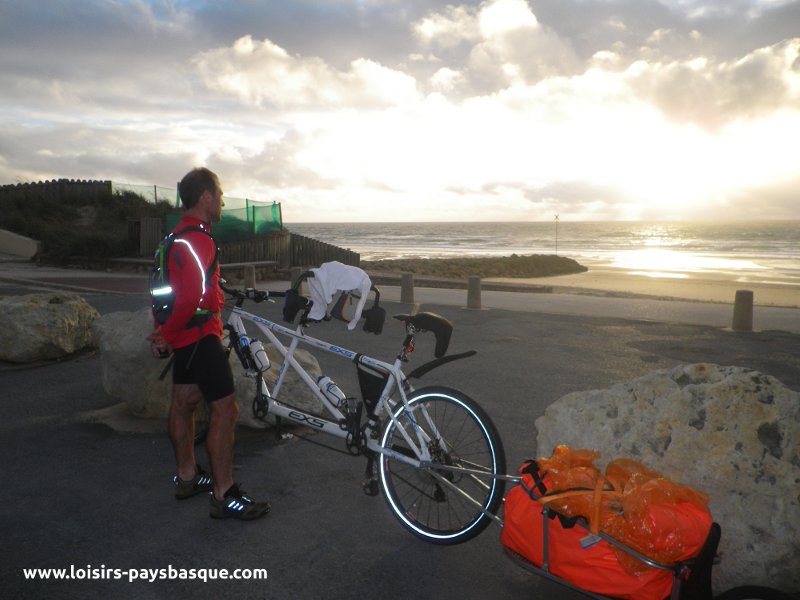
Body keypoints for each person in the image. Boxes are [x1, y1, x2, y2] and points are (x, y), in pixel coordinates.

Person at [147, 167, 269, 521]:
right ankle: (224, 493)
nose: (223, 201)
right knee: (226, 410)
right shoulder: (200, 240)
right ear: (206, 197)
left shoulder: (172, 237)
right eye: (219, 194)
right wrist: (168, 336)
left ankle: (187, 477)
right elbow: (190, 297)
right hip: (200, 335)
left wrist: (163, 332)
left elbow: (164, 288)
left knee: (183, 402)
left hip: (183, 336)